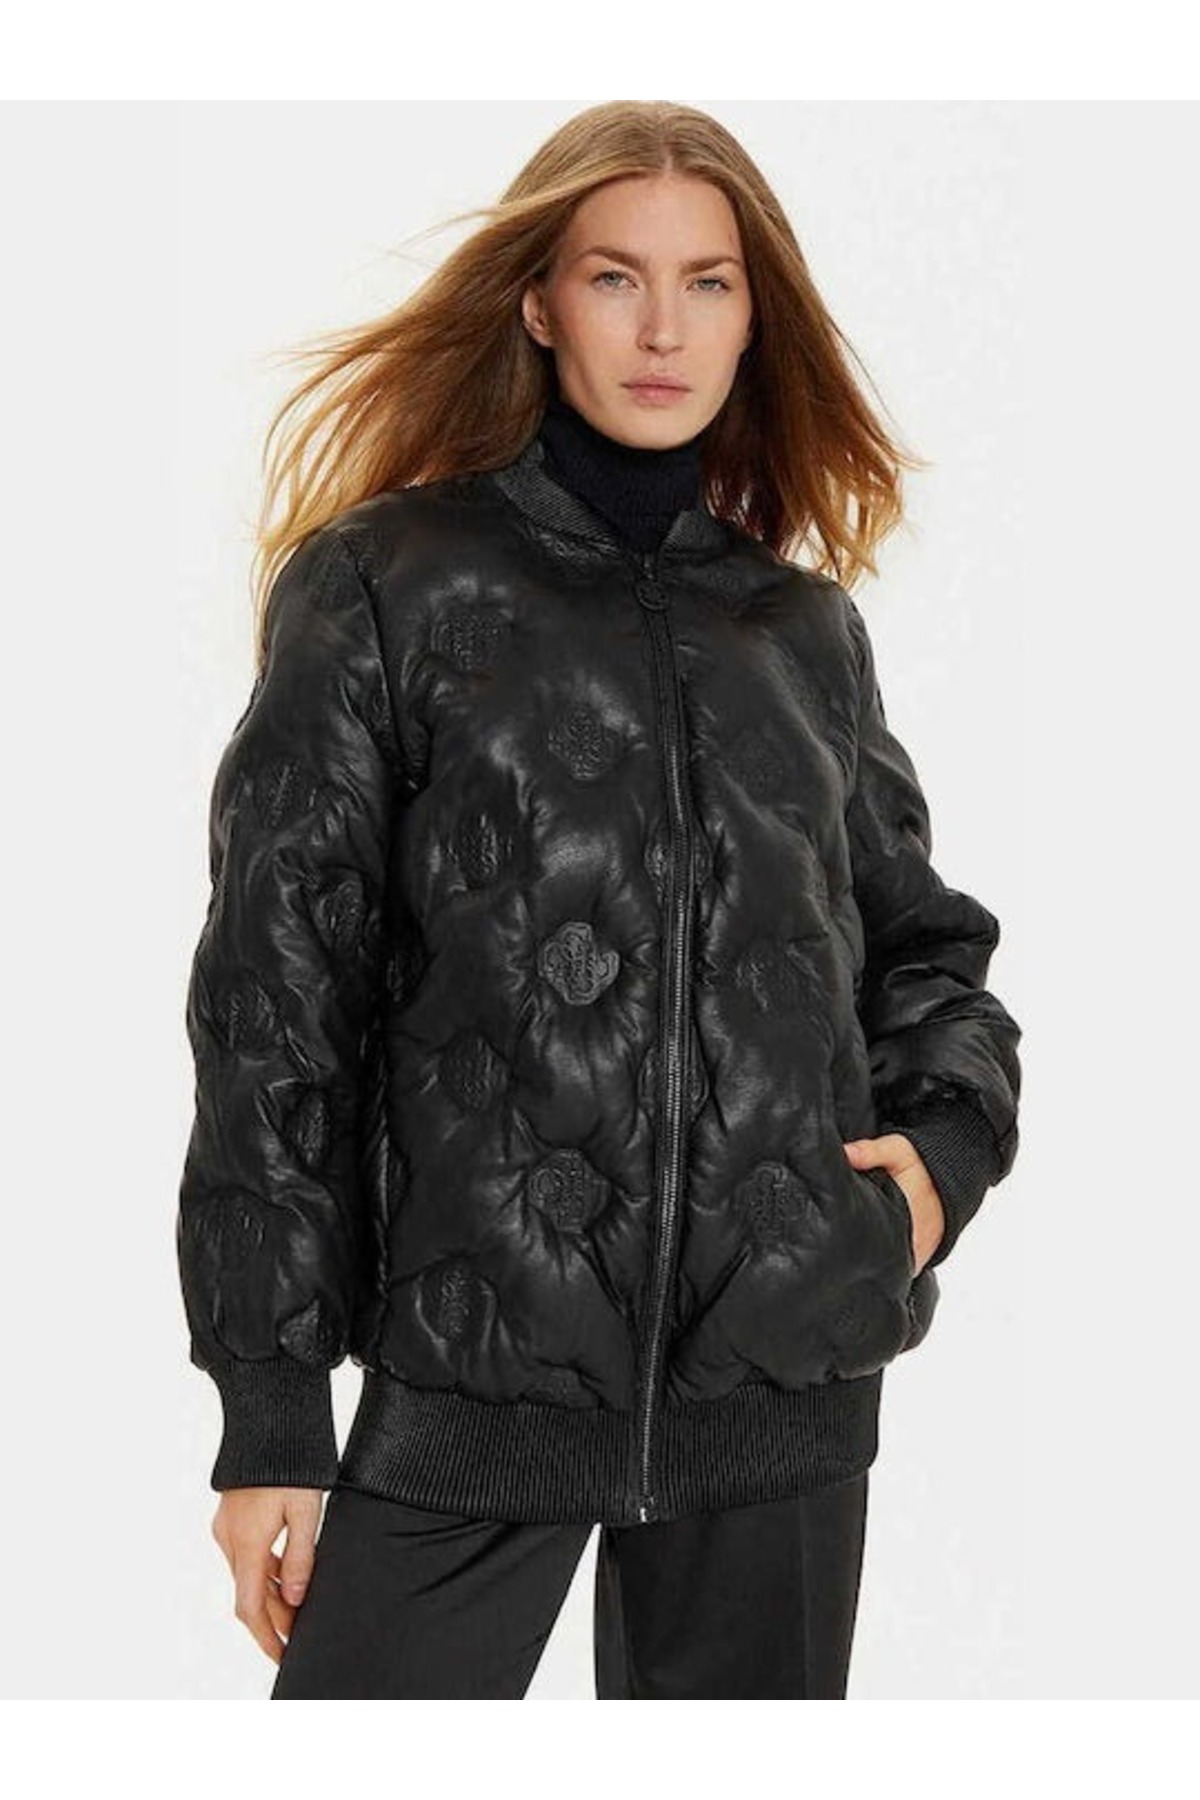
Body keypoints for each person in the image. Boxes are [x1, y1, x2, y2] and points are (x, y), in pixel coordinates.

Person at [176, 99, 1021, 1700]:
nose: (662, 329)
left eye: (708, 284)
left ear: (752, 318)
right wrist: (270, 1412)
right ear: (539, 304)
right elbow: (278, 1000)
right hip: (471, 1375)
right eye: (615, 277)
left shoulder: (799, 632)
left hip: (782, 1389)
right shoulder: (387, 584)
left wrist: (940, 1162)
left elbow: (923, 950)